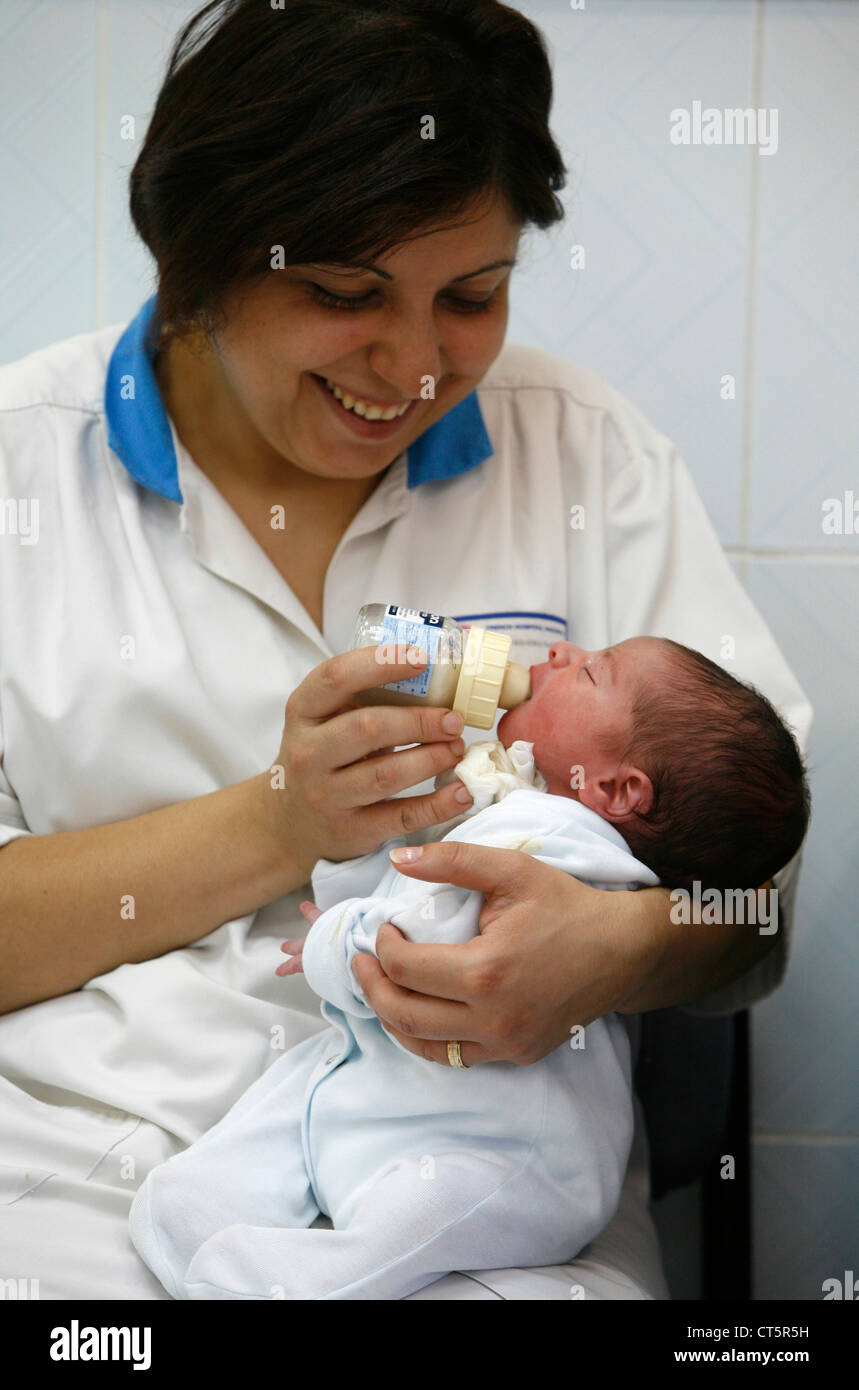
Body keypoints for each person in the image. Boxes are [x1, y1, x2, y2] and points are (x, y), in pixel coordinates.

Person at [0, 0, 811, 1301]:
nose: (417, 363)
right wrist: (277, 821)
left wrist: (615, 952)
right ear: (193, 256)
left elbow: (752, 887)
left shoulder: (578, 452)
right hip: (73, 1188)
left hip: (483, 1201)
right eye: (339, 292)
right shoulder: (21, 471)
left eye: (472, 296)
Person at [126, 635, 810, 1300]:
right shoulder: (527, 813)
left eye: (590, 673)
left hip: (511, 1162)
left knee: (414, 1217)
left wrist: (332, 944)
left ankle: (293, 1284)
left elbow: (417, 945)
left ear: (617, 788)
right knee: (293, 1102)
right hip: (400, 1095)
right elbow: (407, 884)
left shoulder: (558, 841)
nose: (561, 654)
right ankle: (188, 1208)